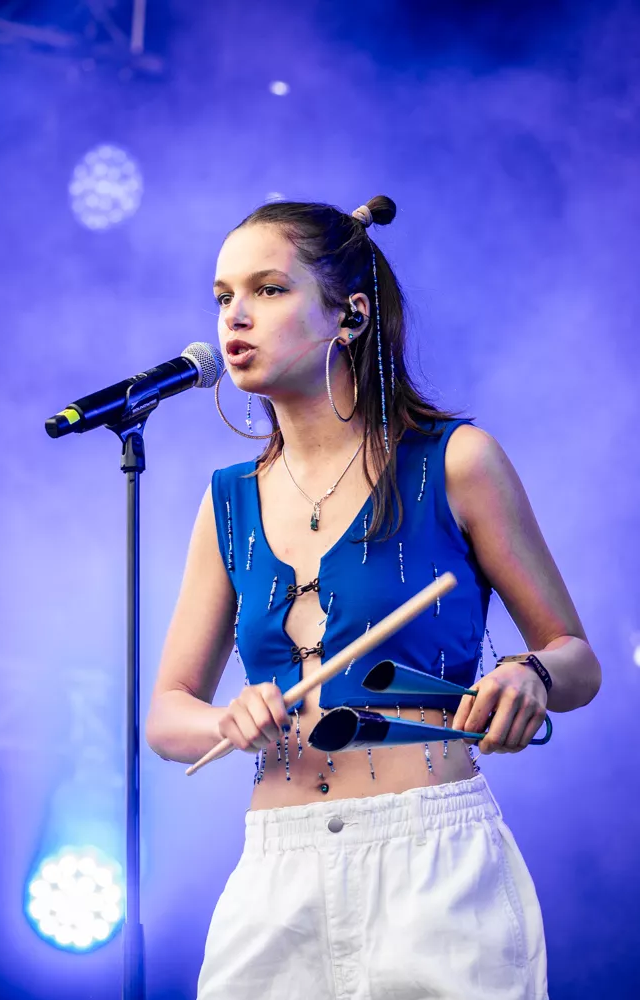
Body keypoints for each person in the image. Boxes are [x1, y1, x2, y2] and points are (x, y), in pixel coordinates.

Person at [145, 196, 601, 1000]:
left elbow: (576, 659)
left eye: (268, 290)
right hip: (274, 870)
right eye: (222, 297)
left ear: (348, 316)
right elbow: (165, 715)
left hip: (432, 858)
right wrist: (223, 720)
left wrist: (529, 674)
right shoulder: (224, 502)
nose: (235, 317)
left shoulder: (456, 460)